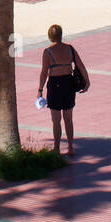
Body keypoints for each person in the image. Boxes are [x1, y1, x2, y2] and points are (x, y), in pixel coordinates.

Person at [38, 24, 89, 156]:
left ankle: (56, 147)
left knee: (56, 120)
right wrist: (87, 81)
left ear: (50, 36)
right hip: (68, 83)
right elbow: (81, 66)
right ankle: (71, 147)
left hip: (55, 85)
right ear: (61, 35)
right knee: (68, 118)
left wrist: (40, 89)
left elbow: (44, 73)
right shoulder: (70, 49)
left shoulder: (48, 52)